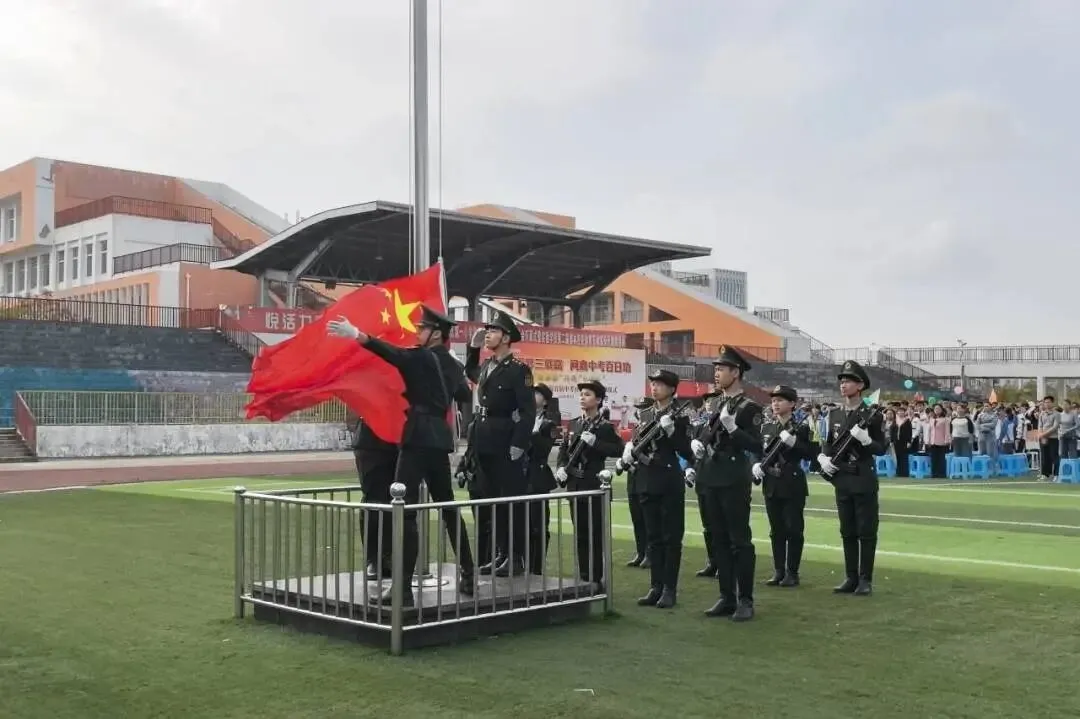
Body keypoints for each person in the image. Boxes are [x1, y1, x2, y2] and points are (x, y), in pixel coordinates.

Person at [327, 305, 472, 606]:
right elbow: (464, 396)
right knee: (447, 506)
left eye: (423, 329)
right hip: (439, 439)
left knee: (402, 508)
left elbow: (391, 353)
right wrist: (455, 366)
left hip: (417, 435)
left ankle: (403, 589)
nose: (418, 332)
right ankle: (469, 572)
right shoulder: (451, 363)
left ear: (436, 334)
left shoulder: (420, 356)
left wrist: (356, 335)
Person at [689, 345, 763, 622]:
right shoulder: (717, 405)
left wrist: (734, 429)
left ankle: (745, 599)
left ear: (736, 372)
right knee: (718, 539)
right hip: (709, 475)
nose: (717, 374)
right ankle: (726, 596)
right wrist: (697, 443)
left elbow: (758, 445)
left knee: (739, 541)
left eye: (721, 369)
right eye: (716, 369)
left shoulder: (749, 407)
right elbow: (707, 435)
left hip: (733, 476)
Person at [464, 311, 536, 577]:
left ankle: (514, 557)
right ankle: (500, 553)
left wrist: (519, 443)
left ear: (506, 337)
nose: (488, 335)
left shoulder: (518, 371)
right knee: (492, 500)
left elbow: (528, 411)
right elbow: (471, 371)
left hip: (505, 438)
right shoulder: (487, 365)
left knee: (509, 500)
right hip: (484, 438)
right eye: (488, 330)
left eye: (493, 331)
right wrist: (472, 349)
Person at [624, 369, 693, 609]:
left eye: (660, 384)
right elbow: (636, 443)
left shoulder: (680, 415)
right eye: (652, 383)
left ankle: (669, 589)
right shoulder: (645, 414)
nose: (654, 388)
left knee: (670, 537)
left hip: (668, 480)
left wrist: (672, 432)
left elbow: (686, 451)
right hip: (645, 479)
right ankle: (655, 587)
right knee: (653, 538)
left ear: (672, 389)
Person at [817, 360, 885, 597]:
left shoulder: (872, 415)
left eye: (848, 381)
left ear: (860, 385)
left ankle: (865, 578)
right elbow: (828, 442)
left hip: (863, 478)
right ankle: (851, 576)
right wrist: (824, 458)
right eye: (842, 381)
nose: (843, 385)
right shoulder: (834, 413)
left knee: (866, 531)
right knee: (847, 530)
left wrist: (867, 440)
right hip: (842, 479)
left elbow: (881, 448)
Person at [555, 380, 624, 587]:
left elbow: (618, 450)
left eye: (587, 394)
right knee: (581, 534)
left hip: (593, 484)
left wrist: (596, 443)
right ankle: (584, 576)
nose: (582, 397)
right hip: (574, 484)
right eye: (581, 394)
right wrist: (561, 467)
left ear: (599, 400)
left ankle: (596, 578)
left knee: (594, 534)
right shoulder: (575, 423)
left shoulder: (603, 427)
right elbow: (564, 450)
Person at [752, 385, 812, 588]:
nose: (775, 403)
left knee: (794, 529)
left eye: (780, 400)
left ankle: (792, 572)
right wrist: (756, 465)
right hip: (771, 483)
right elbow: (759, 451)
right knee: (776, 530)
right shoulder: (767, 427)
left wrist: (795, 442)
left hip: (792, 483)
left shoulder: (802, 427)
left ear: (792, 404)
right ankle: (778, 571)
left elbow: (811, 453)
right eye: (774, 400)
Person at [348, 409, 399, 579]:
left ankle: (388, 556)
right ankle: (374, 559)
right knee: (373, 499)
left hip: (396, 438)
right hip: (371, 441)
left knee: (394, 501)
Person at [525, 383, 559, 574]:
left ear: (545, 401)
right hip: (520, 478)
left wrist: (530, 433)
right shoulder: (522, 418)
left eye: (537, 394)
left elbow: (542, 450)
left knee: (538, 526)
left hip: (537, 478)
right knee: (521, 525)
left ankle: (536, 568)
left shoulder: (548, 424)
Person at [624, 396, 655, 569]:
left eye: (643, 408)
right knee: (637, 518)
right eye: (638, 408)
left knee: (648, 519)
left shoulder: (652, 428)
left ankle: (650, 554)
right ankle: (640, 552)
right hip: (633, 476)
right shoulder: (636, 429)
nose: (639, 411)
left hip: (645, 475)